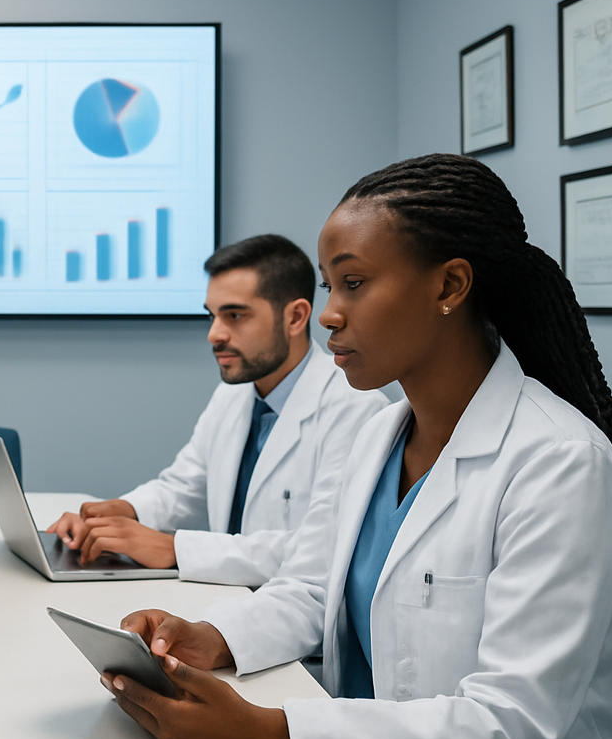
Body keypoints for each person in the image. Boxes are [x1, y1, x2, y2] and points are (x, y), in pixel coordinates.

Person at [103, 155, 612, 739]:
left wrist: (266, 729)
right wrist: (208, 639)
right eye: (329, 285)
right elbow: (311, 589)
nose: (328, 314)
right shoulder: (377, 433)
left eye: (354, 283)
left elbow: (508, 733)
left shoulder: (560, 464)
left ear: (449, 286)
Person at [48, 234, 386, 586]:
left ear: (295, 317)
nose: (214, 334)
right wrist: (123, 513)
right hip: (228, 597)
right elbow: (185, 487)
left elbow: (324, 549)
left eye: (235, 315)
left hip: (296, 611)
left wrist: (174, 549)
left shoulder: (357, 410)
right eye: (212, 316)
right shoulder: (233, 395)